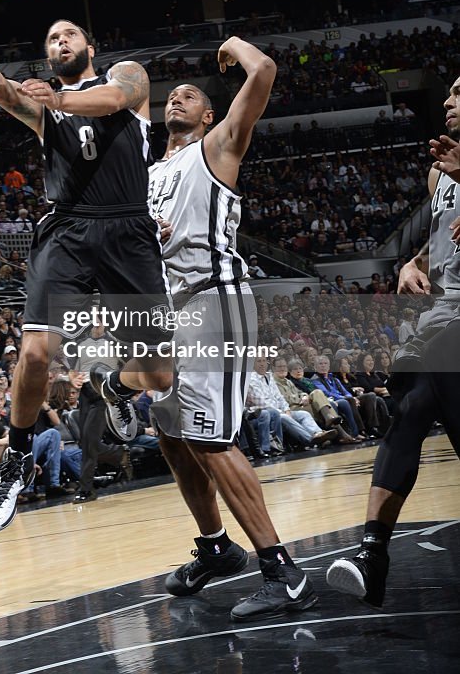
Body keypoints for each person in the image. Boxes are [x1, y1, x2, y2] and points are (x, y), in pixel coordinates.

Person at [0, 0, 171, 531]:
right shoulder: (46, 109)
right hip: (68, 228)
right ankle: (18, 457)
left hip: (127, 230)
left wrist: (62, 98)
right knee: (33, 350)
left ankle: (116, 386)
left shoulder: (127, 78)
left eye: (69, 34)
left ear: (89, 47)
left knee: (159, 375)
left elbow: (111, 99)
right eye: (51, 40)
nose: (60, 43)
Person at [147, 37, 317, 620]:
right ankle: (217, 548)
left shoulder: (217, 147)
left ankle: (283, 570)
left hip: (215, 303)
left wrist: (233, 47)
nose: (178, 99)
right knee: (169, 430)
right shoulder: (150, 175)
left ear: (209, 115)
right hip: (174, 313)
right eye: (171, 95)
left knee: (210, 438)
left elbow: (265, 71)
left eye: (190, 95)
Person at [327, 90, 460, 608]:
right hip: (444, 315)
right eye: (445, 91)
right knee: (404, 414)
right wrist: (413, 263)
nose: (448, 98)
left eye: (458, 90)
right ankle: (372, 554)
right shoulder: (438, 172)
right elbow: (438, 241)